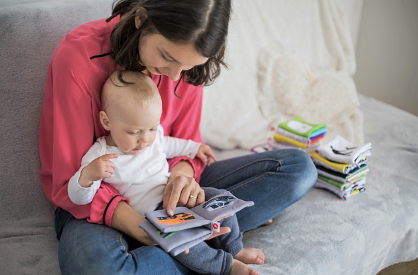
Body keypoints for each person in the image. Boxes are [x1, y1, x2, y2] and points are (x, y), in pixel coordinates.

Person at [39, 0, 317, 274]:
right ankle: (203, 251)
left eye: (187, 67)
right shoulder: (77, 57)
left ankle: (189, 245)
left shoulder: (186, 65)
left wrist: (182, 178)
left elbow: (185, 144)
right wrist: (141, 226)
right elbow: (71, 180)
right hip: (92, 205)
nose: (175, 76)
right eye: (168, 58)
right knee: (95, 267)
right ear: (141, 19)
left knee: (298, 169)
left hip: (164, 190)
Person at [67, 70, 264, 275]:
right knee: (185, 243)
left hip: (177, 195)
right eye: (134, 132)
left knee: (221, 199)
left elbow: (170, 144)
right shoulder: (101, 154)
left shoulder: (152, 136)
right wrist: (87, 176)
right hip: (155, 216)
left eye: (152, 129)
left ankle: (235, 248)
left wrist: (194, 148)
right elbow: (78, 198)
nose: (145, 140)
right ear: (107, 122)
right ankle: (226, 266)